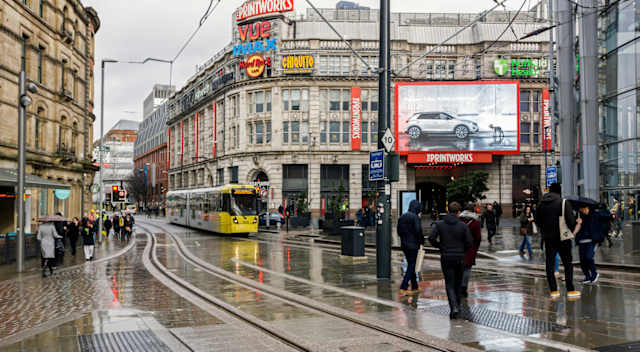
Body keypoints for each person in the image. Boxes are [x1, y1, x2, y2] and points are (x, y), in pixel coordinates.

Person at [535, 182, 580, 299]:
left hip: (548, 239)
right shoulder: (563, 202)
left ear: (549, 190)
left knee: (549, 264)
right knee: (567, 264)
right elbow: (570, 221)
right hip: (562, 238)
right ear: (559, 191)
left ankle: (554, 291)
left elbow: (537, 221)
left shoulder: (541, 204)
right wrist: (575, 226)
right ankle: (570, 290)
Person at [428, 202, 473, 319]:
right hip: (460, 257)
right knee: (458, 283)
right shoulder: (463, 226)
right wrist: (462, 250)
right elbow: (469, 242)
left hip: (446, 256)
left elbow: (431, 238)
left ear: (448, 211)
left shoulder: (440, 224)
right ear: (458, 212)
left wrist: (439, 246)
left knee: (449, 283)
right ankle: (457, 305)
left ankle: (454, 307)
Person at [397, 200, 424, 295]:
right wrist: (421, 241)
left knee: (411, 264)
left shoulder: (402, 216)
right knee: (412, 266)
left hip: (404, 244)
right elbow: (418, 231)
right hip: (413, 245)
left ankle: (415, 286)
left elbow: (398, 232)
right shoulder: (415, 217)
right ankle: (403, 286)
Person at [460, 204, 482, 298]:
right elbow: (478, 238)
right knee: (467, 269)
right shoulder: (476, 222)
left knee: (459, 268)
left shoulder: (459, 220)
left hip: (459, 247)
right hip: (470, 248)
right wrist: (475, 248)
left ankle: (458, 285)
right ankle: (463, 288)